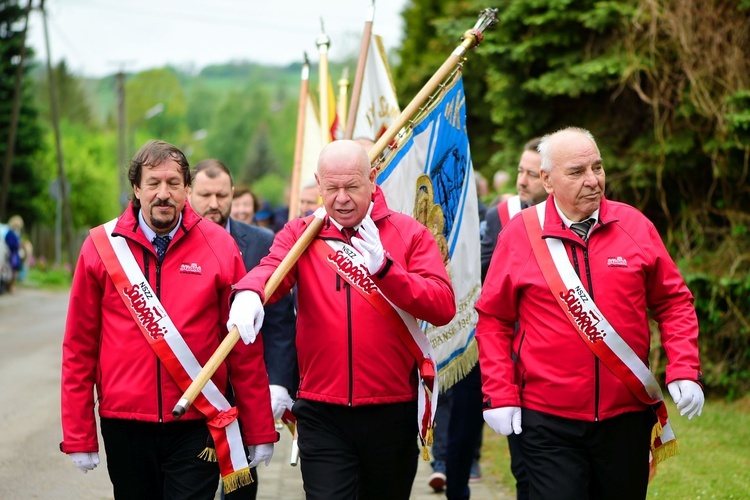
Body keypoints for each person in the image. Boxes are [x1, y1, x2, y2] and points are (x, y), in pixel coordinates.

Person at [476, 127, 705, 499]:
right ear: (547, 180)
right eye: (577, 171)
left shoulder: (634, 226)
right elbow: (494, 319)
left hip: (625, 419)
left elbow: (674, 301)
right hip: (548, 422)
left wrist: (683, 368)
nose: (593, 180)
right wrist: (499, 393)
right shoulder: (519, 235)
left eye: (597, 168)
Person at [227, 139, 456, 499]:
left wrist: (387, 271)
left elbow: (442, 305)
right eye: (331, 188)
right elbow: (271, 270)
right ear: (318, 185)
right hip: (321, 411)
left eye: (351, 186)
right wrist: (249, 292)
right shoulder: (301, 234)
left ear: (372, 179)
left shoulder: (409, 233)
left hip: (391, 408)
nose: (342, 198)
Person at [60, 140, 278, 499]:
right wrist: (79, 434)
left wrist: (258, 430)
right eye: (153, 183)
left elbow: (243, 348)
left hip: (197, 424)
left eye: (174, 183)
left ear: (187, 189)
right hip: (125, 423)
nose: (164, 194)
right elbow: (79, 348)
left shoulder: (219, 246)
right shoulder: (100, 247)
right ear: (136, 188)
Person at [189, 159, 298, 499]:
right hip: (196, 385)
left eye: (221, 195)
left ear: (233, 193)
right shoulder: (178, 242)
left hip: (247, 387)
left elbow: (280, 322)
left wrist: (279, 382)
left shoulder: (263, 241)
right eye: (205, 194)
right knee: (192, 485)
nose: (213, 203)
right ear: (189, 193)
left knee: (241, 489)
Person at [452, 137, 547, 500]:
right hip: (506, 345)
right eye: (521, 172)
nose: (522, 181)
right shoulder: (501, 215)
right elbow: (484, 276)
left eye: (532, 174)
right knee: (522, 464)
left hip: (550, 351)